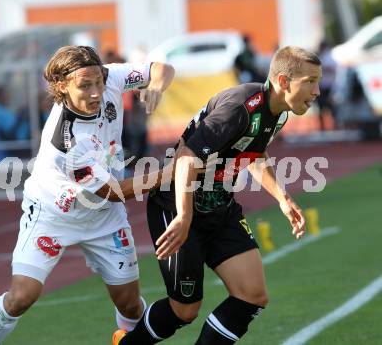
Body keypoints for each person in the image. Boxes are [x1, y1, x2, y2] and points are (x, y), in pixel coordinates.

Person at [114, 46, 321, 344]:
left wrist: (282, 198)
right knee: (184, 311)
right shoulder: (240, 107)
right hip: (176, 205)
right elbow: (186, 157)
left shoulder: (278, 112)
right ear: (284, 81)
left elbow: (254, 153)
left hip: (219, 205)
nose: (317, 91)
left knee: (252, 295)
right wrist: (184, 216)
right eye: (310, 81)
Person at [0, 45, 175, 345]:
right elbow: (113, 191)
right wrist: (173, 174)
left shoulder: (109, 76)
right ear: (62, 86)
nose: (96, 92)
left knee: (130, 305)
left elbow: (161, 68)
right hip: (54, 214)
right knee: (21, 297)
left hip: (103, 217)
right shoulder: (65, 141)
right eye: (85, 86)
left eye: (98, 83)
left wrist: (156, 86)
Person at [317, 40, 337, 130]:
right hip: (322, 86)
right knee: (321, 107)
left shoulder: (328, 56)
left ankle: (334, 125)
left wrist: (322, 68)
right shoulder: (321, 56)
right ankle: (323, 127)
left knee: (331, 107)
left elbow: (332, 68)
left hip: (328, 86)